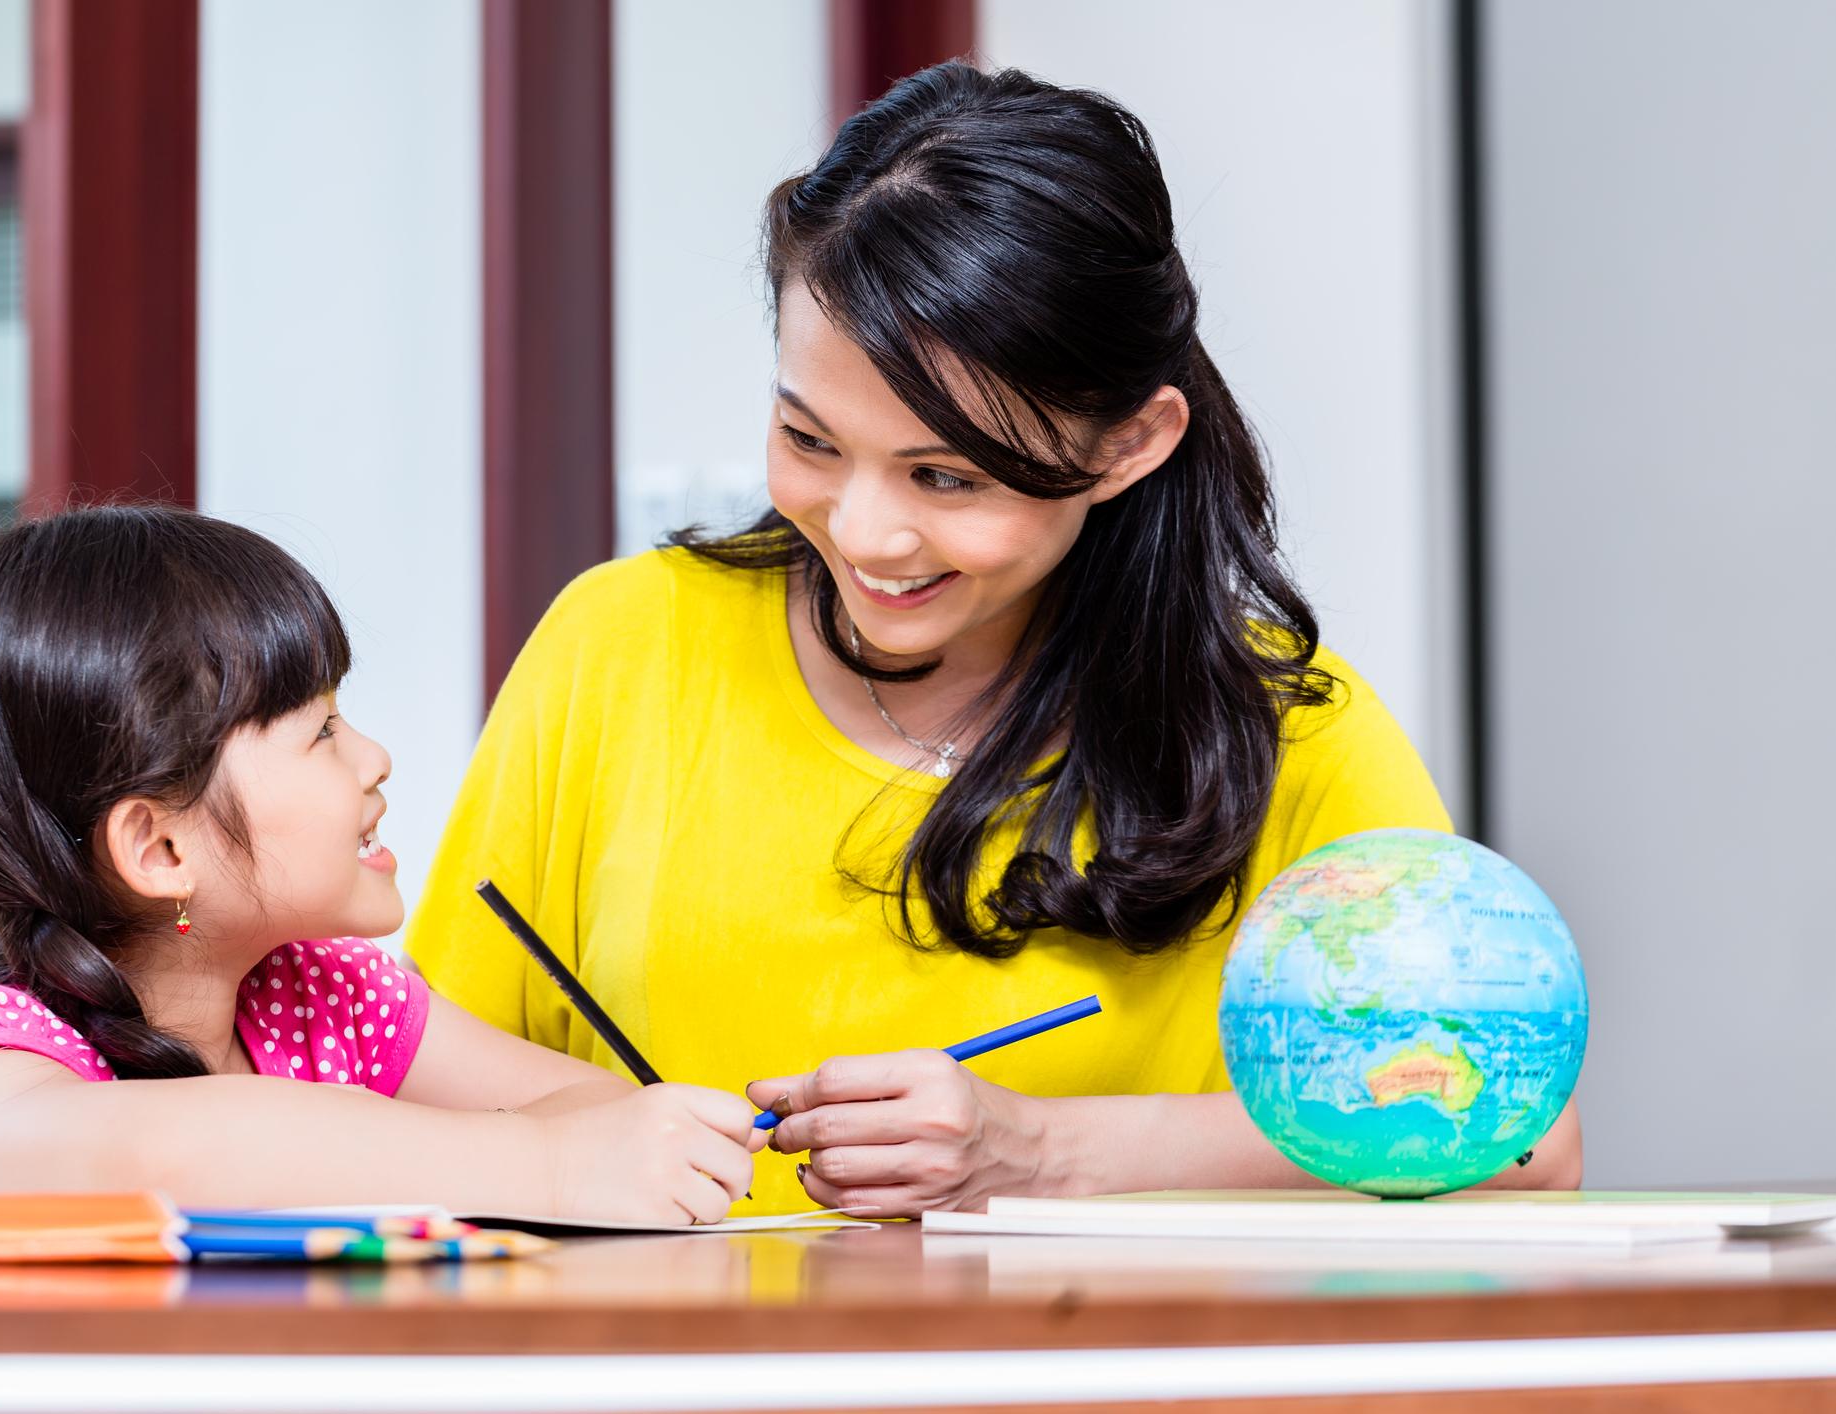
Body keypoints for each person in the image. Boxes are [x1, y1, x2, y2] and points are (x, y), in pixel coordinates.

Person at [407, 61, 1580, 1217]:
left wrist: (1047, 1152)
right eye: (810, 440)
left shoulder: (1281, 729)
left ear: (1128, 444)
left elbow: (1525, 1141)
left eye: (947, 475)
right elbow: (392, 1070)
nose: (865, 531)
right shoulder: (625, 643)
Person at [0, 505, 762, 1224]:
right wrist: (552, 1169)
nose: (373, 757)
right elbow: (142, 1155)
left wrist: (594, 1152)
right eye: (321, 731)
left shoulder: (326, 999)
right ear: (161, 848)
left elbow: (601, 1115)